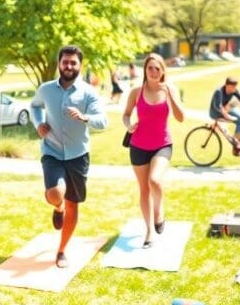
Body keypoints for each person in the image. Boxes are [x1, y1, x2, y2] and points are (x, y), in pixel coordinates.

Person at [31, 45, 107, 268]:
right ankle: (58, 207)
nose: (69, 66)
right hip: (52, 151)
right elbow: (34, 105)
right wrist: (38, 124)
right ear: (59, 63)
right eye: (65, 62)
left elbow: (103, 121)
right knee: (56, 193)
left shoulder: (88, 92)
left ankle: (62, 250)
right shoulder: (46, 89)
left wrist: (85, 117)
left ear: (80, 66)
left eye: (73, 62)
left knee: (74, 205)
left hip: (78, 155)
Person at [122, 53, 184, 247]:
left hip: (162, 145)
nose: (154, 71)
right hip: (138, 145)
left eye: (158, 68)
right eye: (150, 68)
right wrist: (128, 125)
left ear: (163, 70)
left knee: (154, 180)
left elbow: (181, 117)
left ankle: (159, 210)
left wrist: (171, 96)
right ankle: (149, 231)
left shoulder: (170, 89)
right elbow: (125, 114)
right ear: (145, 70)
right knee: (144, 189)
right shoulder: (136, 91)